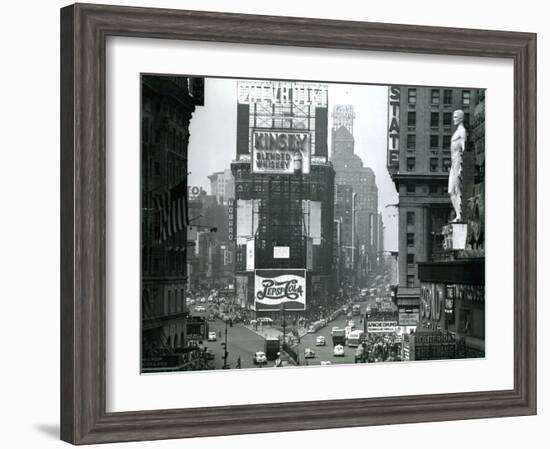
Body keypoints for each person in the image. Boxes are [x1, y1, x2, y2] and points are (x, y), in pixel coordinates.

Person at [448, 109, 467, 222]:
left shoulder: (462, 131)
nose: (453, 119)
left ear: (461, 117)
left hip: (458, 162)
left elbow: (464, 149)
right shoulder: (457, 131)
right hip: (453, 163)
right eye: (453, 116)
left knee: (458, 190)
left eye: (456, 117)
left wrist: (461, 168)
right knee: (451, 191)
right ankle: (458, 214)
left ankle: (460, 215)